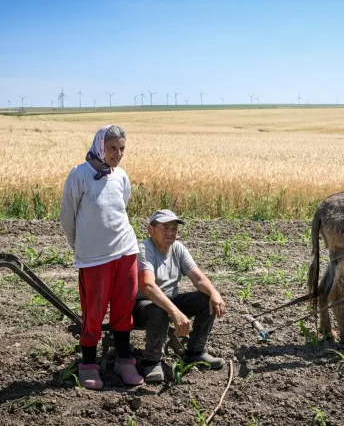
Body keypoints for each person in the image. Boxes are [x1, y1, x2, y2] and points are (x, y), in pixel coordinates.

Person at [59, 125, 144, 390]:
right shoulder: (80, 174)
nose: (117, 154)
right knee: (93, 312)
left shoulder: (121, 176)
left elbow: (122, 208)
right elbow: (67, 217)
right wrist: (82, 246)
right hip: (94, 259)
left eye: (121, 149)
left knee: (124, 306)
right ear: (99, 146)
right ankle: (88, 364)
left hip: (125, 251)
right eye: (112, 148)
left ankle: (123, 360)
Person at [134, 209, 227, 382]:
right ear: (151, 229)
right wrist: (175, 312)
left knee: (207, 299)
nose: (171, 232)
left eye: (174, 229)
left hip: (170, 300)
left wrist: (214, 293)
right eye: (165, 227)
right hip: (143, 305)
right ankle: (151, 361)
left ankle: (195, 352)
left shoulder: (177, 248)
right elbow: (147, 286)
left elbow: (198, 278)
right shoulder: (144, 249)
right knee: (158, 310)